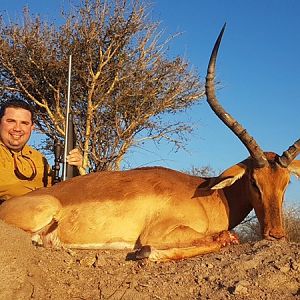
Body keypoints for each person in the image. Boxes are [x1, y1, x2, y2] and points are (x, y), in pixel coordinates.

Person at [0, 100, 85, 201]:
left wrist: (77, 168)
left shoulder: (39, 158)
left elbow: (60, 190)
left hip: (42, 212)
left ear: (32, 128)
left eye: (24, 123)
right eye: (11, 121)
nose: (17, 128)